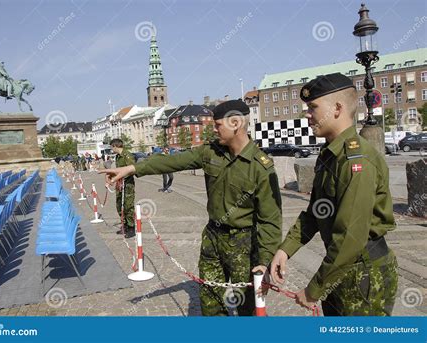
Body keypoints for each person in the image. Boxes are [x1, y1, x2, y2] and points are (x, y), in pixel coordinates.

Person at [100, 100, 282, 316]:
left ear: (235, 123)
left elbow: (271, 219)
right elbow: (172, 162)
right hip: (213, 238)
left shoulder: (261, 167)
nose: (213, 129)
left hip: (244, 243)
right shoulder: (210, 152)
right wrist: (132, 168)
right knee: (211, 302)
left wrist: (265, 261)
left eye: (217, 125)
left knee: (248, 307)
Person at [266, 73, 398, 316]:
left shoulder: (355, 161)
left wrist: (313, 289)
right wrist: (285, 250)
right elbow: (316, 212)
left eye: (313, 108)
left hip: (364, 274)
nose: (307, 115)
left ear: (337, 108)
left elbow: (350, 237)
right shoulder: (330, 155)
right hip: (341, 269)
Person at [110, 138, 136, 239]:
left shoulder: (127, 155)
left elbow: (132, 170)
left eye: (112, 147)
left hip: (128, 184)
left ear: (115, 146)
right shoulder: (117, 157)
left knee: (128, 206)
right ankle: (124, 225)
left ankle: (131, 228)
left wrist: (121, 177)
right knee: (119, 205)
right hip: (119, 184)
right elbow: (117, 170)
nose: (112, 150)